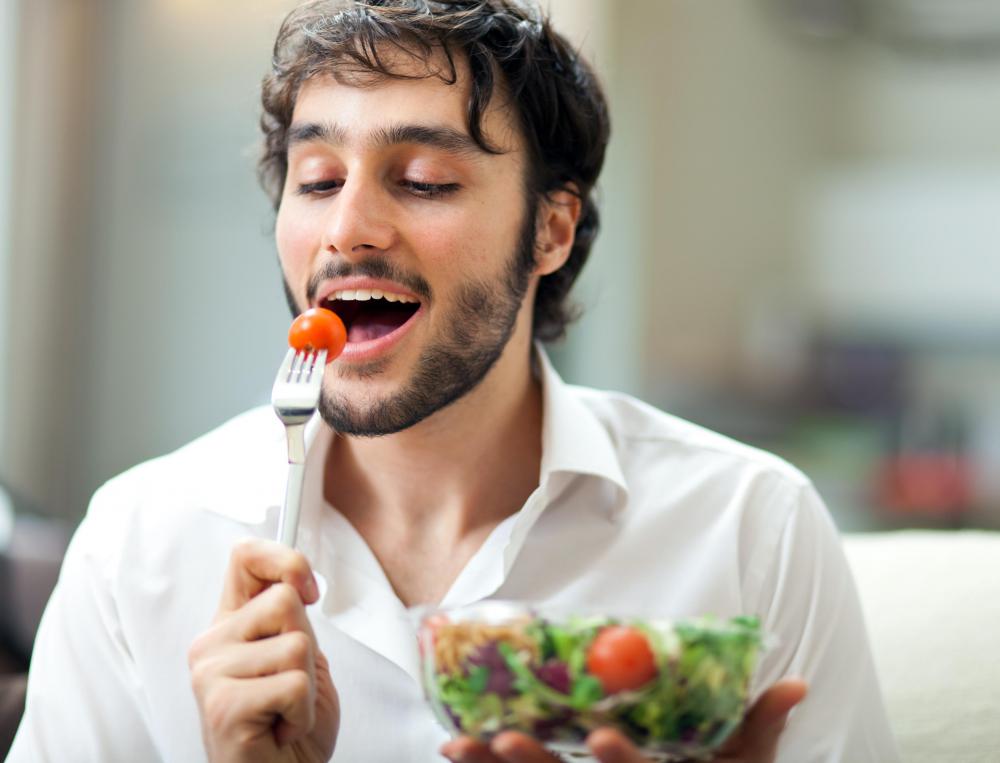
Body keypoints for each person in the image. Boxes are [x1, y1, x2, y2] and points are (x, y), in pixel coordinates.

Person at [8, 1, 899, 761]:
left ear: (551, 231)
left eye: (425, 179)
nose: (347, 227)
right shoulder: (142, 540)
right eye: (317, 179)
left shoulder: (747, 527)